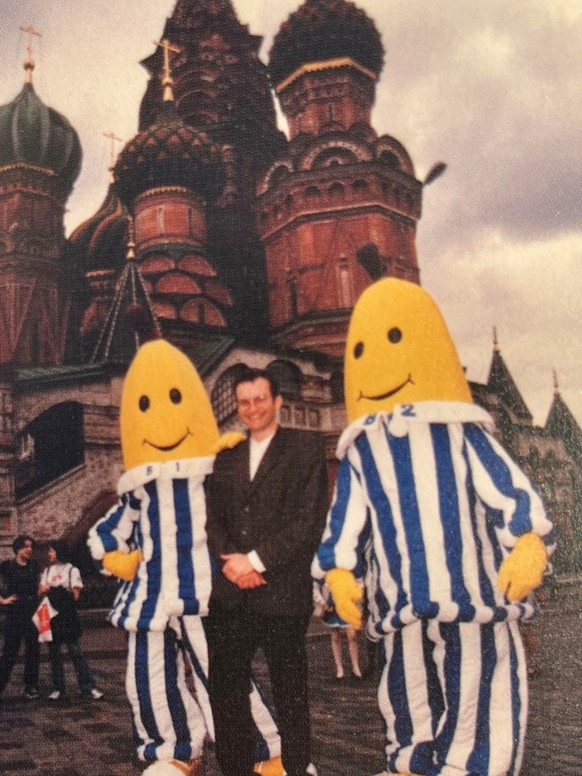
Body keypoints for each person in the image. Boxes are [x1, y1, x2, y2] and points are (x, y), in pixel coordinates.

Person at [205, 367, 329, 776]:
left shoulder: (305, 447)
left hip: (280, 591)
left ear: (277, 401)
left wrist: (255, 562)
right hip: (231, 594)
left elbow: (308, 520)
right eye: (244, 402)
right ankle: (236, 769)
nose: (253, 409)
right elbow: (214, 520)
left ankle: (296, 767)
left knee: (290, 690)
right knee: (225, 691)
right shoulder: (226, 457)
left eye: (260, 400)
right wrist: (233, 564)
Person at [38, 540, 104, 701]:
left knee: (75, 651)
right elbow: (41, 591)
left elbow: (76, 595)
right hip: (51, 614)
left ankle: (88, 686)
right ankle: (58, 688)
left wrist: (57, 588)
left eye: (52, 551)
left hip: (67, 615)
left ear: (59, 552)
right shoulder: (47, 571)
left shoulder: (72, 570)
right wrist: (45, 589)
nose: (49, 554)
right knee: (54, 653)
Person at [0, 535, 41, 700]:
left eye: (31, 546)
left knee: (33, 651)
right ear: (18, 549)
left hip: (31, 612)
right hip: (14, 613)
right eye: (26, 546)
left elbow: (39, 586)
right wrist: (2, 600)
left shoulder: (34, 566)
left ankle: (31, 686)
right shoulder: (7, 566)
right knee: (9, 652)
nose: (29, 549)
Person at [313, 581, 362, 681]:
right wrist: (323, 602)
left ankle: (355, 667)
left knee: (352, 635)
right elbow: (317, 585)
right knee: (335, 635)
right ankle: (339, 668)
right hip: (331, 602)